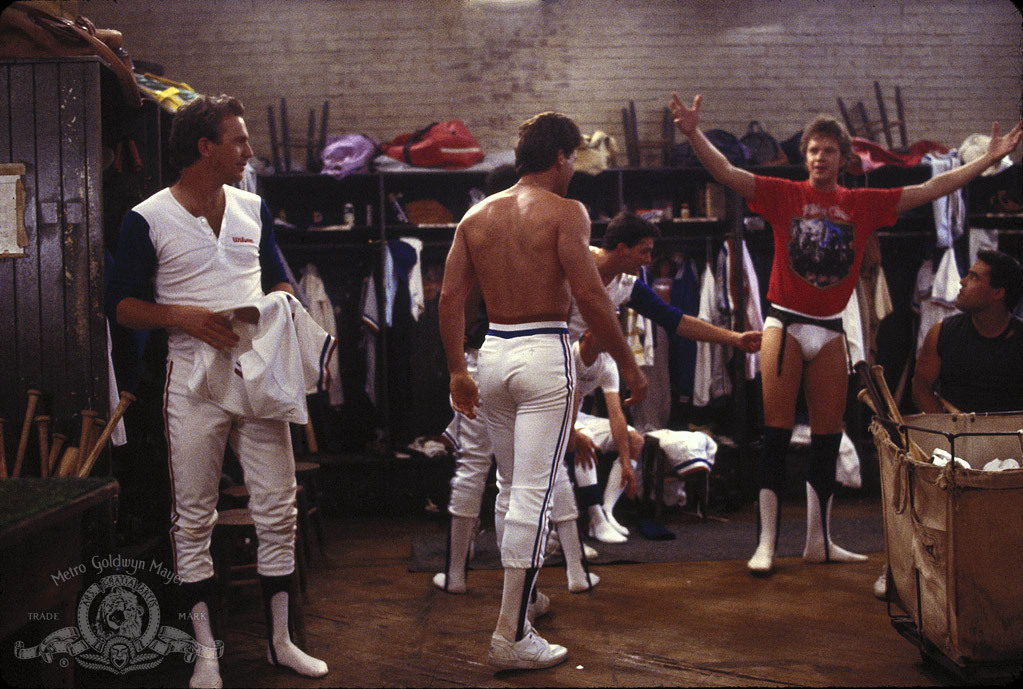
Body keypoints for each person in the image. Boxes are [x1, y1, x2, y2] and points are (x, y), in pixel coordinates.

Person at [670, 90, 1023, 576]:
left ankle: (819, 541)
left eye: (829, 150)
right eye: (813, 150)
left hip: (830, 330)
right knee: (775, 436)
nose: (820, 157)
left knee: (827, 439)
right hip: (785, 324)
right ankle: (767, 542)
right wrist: (694, 135)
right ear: (805, 157)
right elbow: (727, 173)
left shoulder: (862, 203)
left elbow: (932, 188)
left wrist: (986, 160)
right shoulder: (782, 193)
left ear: (842, 158)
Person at [107, 95, 329, 687]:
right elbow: (121, 306)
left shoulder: (252, 207)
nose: (249, 151)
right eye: (239, 140)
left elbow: (278, 277)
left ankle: (281, 642)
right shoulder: (147, 218)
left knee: (277, 507)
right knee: (193, 516)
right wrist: (181, 316)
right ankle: (206, 653)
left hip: (256, 377)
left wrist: (280, 307)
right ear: (205, 148)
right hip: (192, 383)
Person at [438, 111, 649, 671]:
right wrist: (629, 365)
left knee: (511, 487)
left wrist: (457, 370)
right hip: (543, 352)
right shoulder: (565, 212)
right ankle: (511, 633)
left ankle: (525, 602)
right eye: (574, 158)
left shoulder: (476, 215)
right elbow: (591, 296)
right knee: (533, 491)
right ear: (560, 157)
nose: (575, 168)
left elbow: (449, 299)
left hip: (493, 353)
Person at [912, 249, 1023, 414]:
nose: (963, 281)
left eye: (974, 277)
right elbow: (921, 389)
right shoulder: (942, 333)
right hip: (958, 429)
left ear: (997, 293)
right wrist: (946, 426)